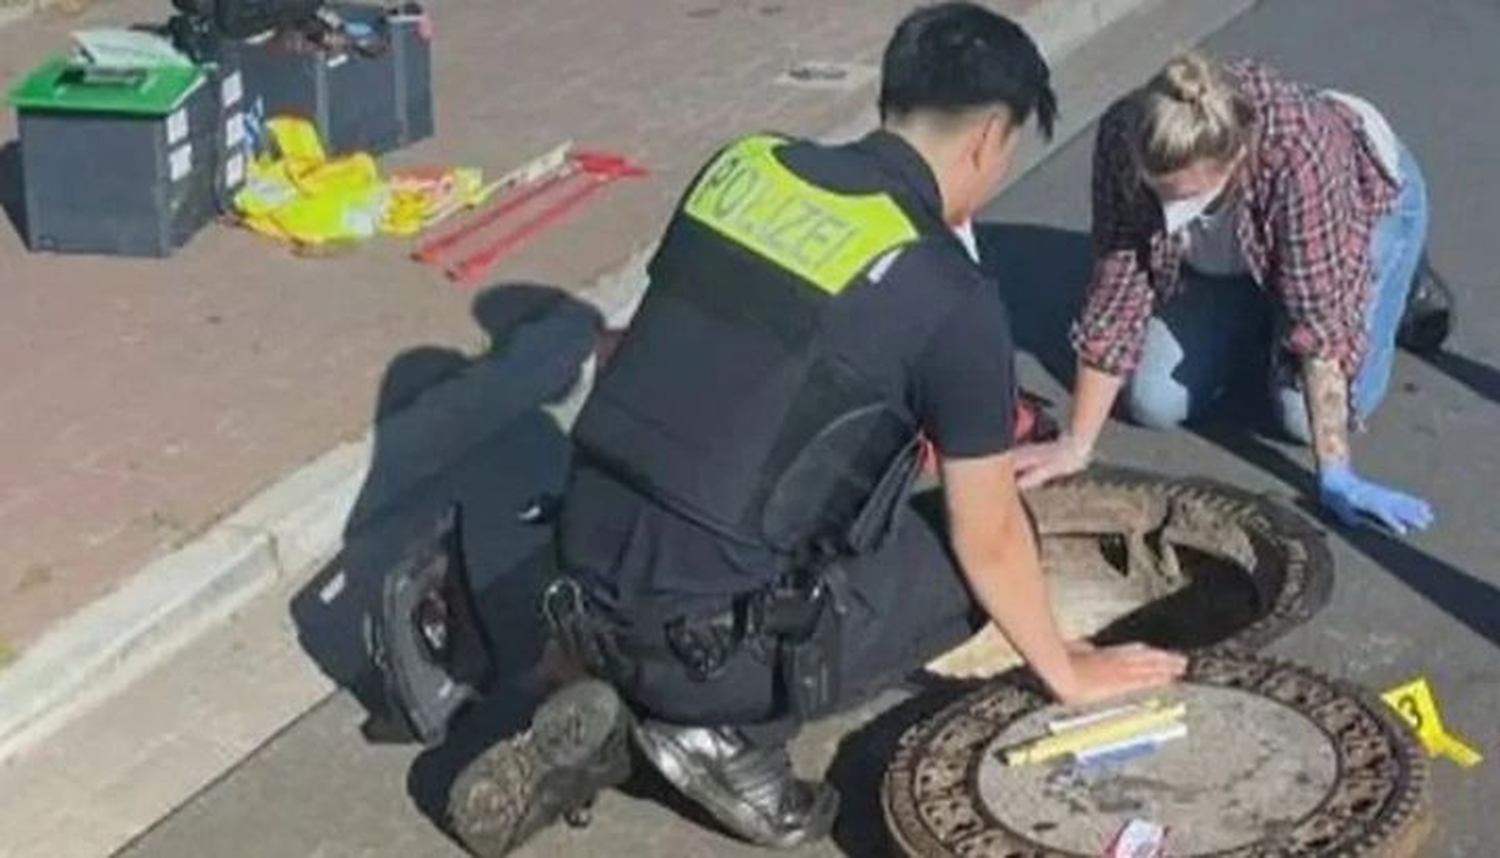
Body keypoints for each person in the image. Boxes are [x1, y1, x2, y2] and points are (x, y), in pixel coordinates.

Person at [446, 5, 1188, 855]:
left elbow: (629, 360)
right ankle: (722, 734)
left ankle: (600, 685)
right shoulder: (950, 294)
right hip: (711, 651)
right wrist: (1066, 668)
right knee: (979, 542)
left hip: (579, 580)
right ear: (990, 137)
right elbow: (985, 539)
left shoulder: (744, 168)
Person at [1014, 52, 1450, 536]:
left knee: (1296, 416)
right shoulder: (1127, 133)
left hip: (1359, 205)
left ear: (1236, 159)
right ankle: (1267, 290)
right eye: (1157, 192)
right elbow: (1119, 286)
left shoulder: (1303, 155)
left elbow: (1322, 325)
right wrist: (1076, 442)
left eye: (1185, 198)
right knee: (1156, 401)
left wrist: (1335, 473)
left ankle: (1403, 276)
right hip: (1231, 240)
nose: (1165, 211)